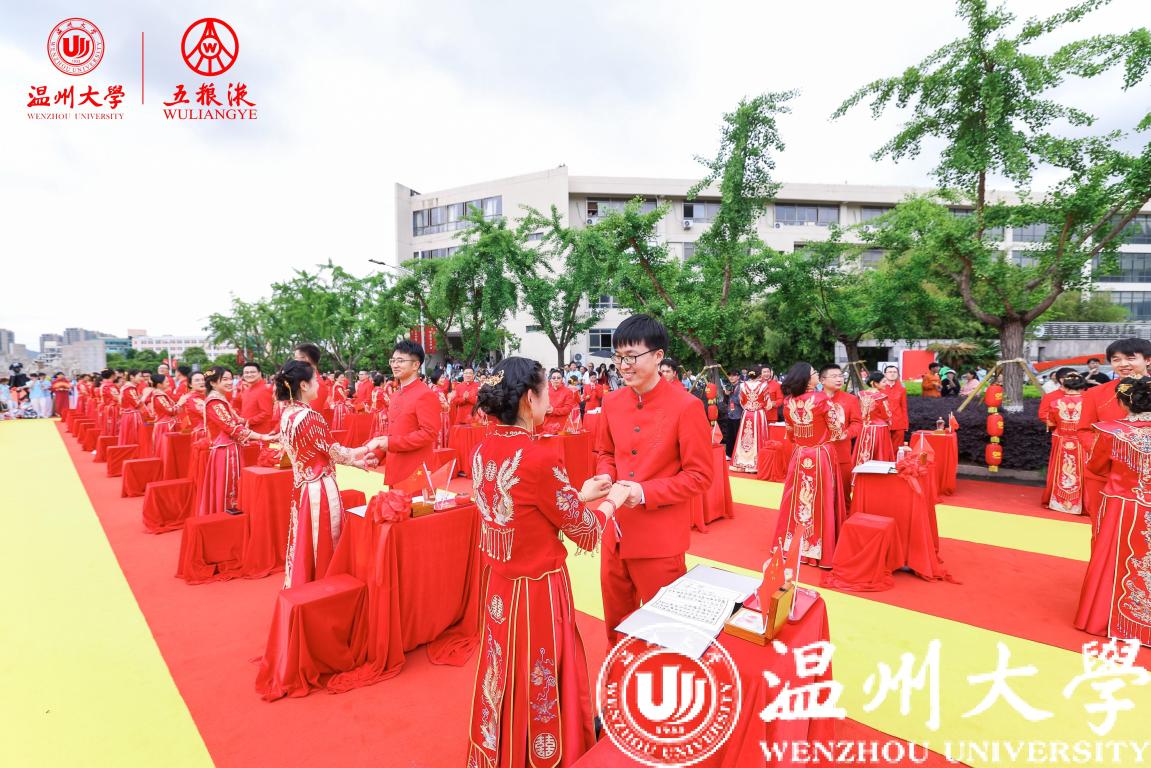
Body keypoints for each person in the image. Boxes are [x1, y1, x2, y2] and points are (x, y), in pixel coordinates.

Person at [464, 357, 627, 767]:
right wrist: (614, 500)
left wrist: (578, 493)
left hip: (500, 586)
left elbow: (524, 507)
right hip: (537, 590)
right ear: (527, 400)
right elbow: (585, 530)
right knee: (541, 670)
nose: (550, 398)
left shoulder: (483, 449)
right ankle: (543, 751)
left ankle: (502, 747)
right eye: (545, 390)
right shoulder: (538, 456)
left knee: (500, 668)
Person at [589, 315, 712, 644]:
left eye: (631, 356)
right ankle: (619, 672)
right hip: (614, 532)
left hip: (659, 541)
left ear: (658, 356)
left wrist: (643, 492)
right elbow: (605, 452)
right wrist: (606, 475)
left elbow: (700, 476)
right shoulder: (612, 402)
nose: (623, 366)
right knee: (617, 624)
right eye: (618, 357)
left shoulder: (687, 407)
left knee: (664, 632)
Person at [273, 361, 379, 587]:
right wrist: (369, 446)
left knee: (304, 539)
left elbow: (318, 452)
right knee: (325, 540)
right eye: (315, 381)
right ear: (303, 385)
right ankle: (327, 585)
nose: (319, 385)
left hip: (303, 485)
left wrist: (356, 462)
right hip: (319, 488)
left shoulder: (288, 414)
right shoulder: (309, 417)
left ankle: (307, 583)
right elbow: (335, 452)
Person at [1075, 375, 1151, 643]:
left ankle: (1111, 619)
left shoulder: (1111, 431)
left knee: (1117, 560)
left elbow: (1096, 466)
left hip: (1124, 504)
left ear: (1124, 402)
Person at [772, 362, 845, 567]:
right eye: (814, 372)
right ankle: (819, 546)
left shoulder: (788, 402)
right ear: (807, 378)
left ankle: (793, 543)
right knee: (822, 498)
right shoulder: (822, 399)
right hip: (821, 454)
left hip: (800, 453)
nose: (816, 375)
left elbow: (790, 434)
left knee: (796, 498)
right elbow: (837, 431)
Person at [1078, 338, 1151, 530]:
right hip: (1106, 476)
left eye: (1130, 358)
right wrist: (1109, 456)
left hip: (1147, 478)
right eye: (1116, 359)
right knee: (1104, 529)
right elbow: (1084, 430)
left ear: (1148, 359)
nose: (1123, 364)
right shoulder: (1095, 394)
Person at [198, 366, 275, 516]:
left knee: (230, 486)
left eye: (230, 378)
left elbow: (237, 422)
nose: (229, 382)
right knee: (230, 488)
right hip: (227, 451)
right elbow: (232, 428)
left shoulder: (220, 399)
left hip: (229, 447)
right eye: (224, 379)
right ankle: (227, 519)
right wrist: (262, 436)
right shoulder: (215, 402)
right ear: (213, 383)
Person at [376, 340, 440, 485]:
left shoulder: (425, 394)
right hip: (395, 467)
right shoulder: (395, 395)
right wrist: (378, 454)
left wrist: (391, 444)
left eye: (400, 361)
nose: (395, 365)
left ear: (416, 365)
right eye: (393, 360)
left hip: (414, 470)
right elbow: (393, 430)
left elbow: (429, 433)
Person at [1043, 372, 1088, 515]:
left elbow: (1051, 423)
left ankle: (1058, 502)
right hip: (1082, 440)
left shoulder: (1055, 403)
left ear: (1064, 385)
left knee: (1059, 469)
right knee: (1082, 470)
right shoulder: (1088, 402)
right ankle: (1080, 504)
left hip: (1062, 439)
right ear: (1082, 386)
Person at [819, 365, 862, 498]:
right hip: (819, 454)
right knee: (821, 493)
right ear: (822, 380)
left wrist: (846, 434)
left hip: (841, 452)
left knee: (843, 494)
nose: (839, 379)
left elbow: (857, 423)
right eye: (834, 376)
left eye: (840, 376)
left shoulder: (850, 399)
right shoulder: (813, 399)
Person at [730, 371, 773, 473]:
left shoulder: (742, 385)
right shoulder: (764, 385)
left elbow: (741, 401)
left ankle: (740, 463)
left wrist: (748, 407)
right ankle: (755, 465)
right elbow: (768, 404)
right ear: (759, 375)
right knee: (758, 436)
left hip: (747, 414)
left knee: (743, 436)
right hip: (758, 414)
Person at [854, 371, 896, 468]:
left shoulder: (861, 394)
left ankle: (861, 472)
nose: (886, 384)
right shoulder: (881, 397)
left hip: (864, 427)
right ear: (875, 383)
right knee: (880, 453)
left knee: (863, 451)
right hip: (879, 428)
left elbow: (857, 411)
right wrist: (889, 422)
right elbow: (887, 414)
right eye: (883, 382)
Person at [236, 362, 276, 435]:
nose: (249, 375)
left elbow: (267, 413)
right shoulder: (247, 390)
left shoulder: (264, 389)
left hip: (261, 433)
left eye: (252, 372)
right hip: (248, 432)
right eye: (246, 373)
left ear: (259, 373)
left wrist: (247, 421)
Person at [148, 374, 180, 457]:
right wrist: (180, 404)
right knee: (166, 450)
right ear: (159, 385)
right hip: (165, 426)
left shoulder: (160, 394)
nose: (169, 383)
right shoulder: (159, 396)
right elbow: (170, 411)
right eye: (166, 382)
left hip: (165, 424)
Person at [541, 368, 578, 434]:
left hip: (561, 425)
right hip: (547, 424)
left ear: (562, 379)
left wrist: (553, 410)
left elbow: (568, 409)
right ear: (550, 379)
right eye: (554, 378)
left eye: (558, 378)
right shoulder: (546, 391)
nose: (556, 379)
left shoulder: (568, 391)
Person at [882, 365, 909, 452]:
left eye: (894, 372)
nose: (892, 374)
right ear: (885, 374)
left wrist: (905, 424)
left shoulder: (901, 389)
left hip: (898, 422)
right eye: (890, 372)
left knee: (897, 449)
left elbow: (904, 407)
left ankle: (895, 461)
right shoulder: (880, 388)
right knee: (884, 447)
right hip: (883, 422)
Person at [117, 370, 145, 448]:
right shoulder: (130, 388)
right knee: (132, 437)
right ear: (132, 376)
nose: (142, 378)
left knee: (128, 437)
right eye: (140, 376)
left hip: (128, 415)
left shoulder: (128, 387)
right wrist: (145, 396)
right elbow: (137, 404)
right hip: (132, 416)